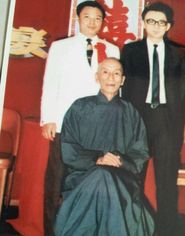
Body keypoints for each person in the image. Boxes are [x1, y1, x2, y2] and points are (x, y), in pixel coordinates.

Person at [40, 1, 119, 235]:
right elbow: (50, 83)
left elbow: (115, 90)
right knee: (56, 180)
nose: (92, 22)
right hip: (65, 124)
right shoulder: (60, 47)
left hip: (96, 126)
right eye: (87, 17)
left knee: (90, 179)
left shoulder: (111, 50)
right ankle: (51, 231)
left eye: (97, 18)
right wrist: (48, 118)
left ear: (102, 22)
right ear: (78, 19)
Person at [54, 58, 155, 236]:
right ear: (97, 77)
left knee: (105, 176)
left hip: (121, 175)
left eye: (116, 73)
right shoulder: (79, 107)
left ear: (122, 80)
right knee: (101, 174)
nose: (111, 78)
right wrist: (97, 159)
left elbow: (140, 152)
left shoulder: (131, 112)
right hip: (83, 175)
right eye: (105, 72)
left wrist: (120, 160)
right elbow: (69, 149)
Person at [121, 2, 185, 236]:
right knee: (134, 176)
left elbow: (183, 88)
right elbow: (126, 87)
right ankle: (134, 227)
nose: (155, 26)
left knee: (167, 179)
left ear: (168, 26)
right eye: (151, 21)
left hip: (166, 120)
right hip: (138, 120)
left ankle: (167, 230)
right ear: (143, 23)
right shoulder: (130, 51)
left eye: (161, 22)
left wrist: (168, 112)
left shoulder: (179, 53)